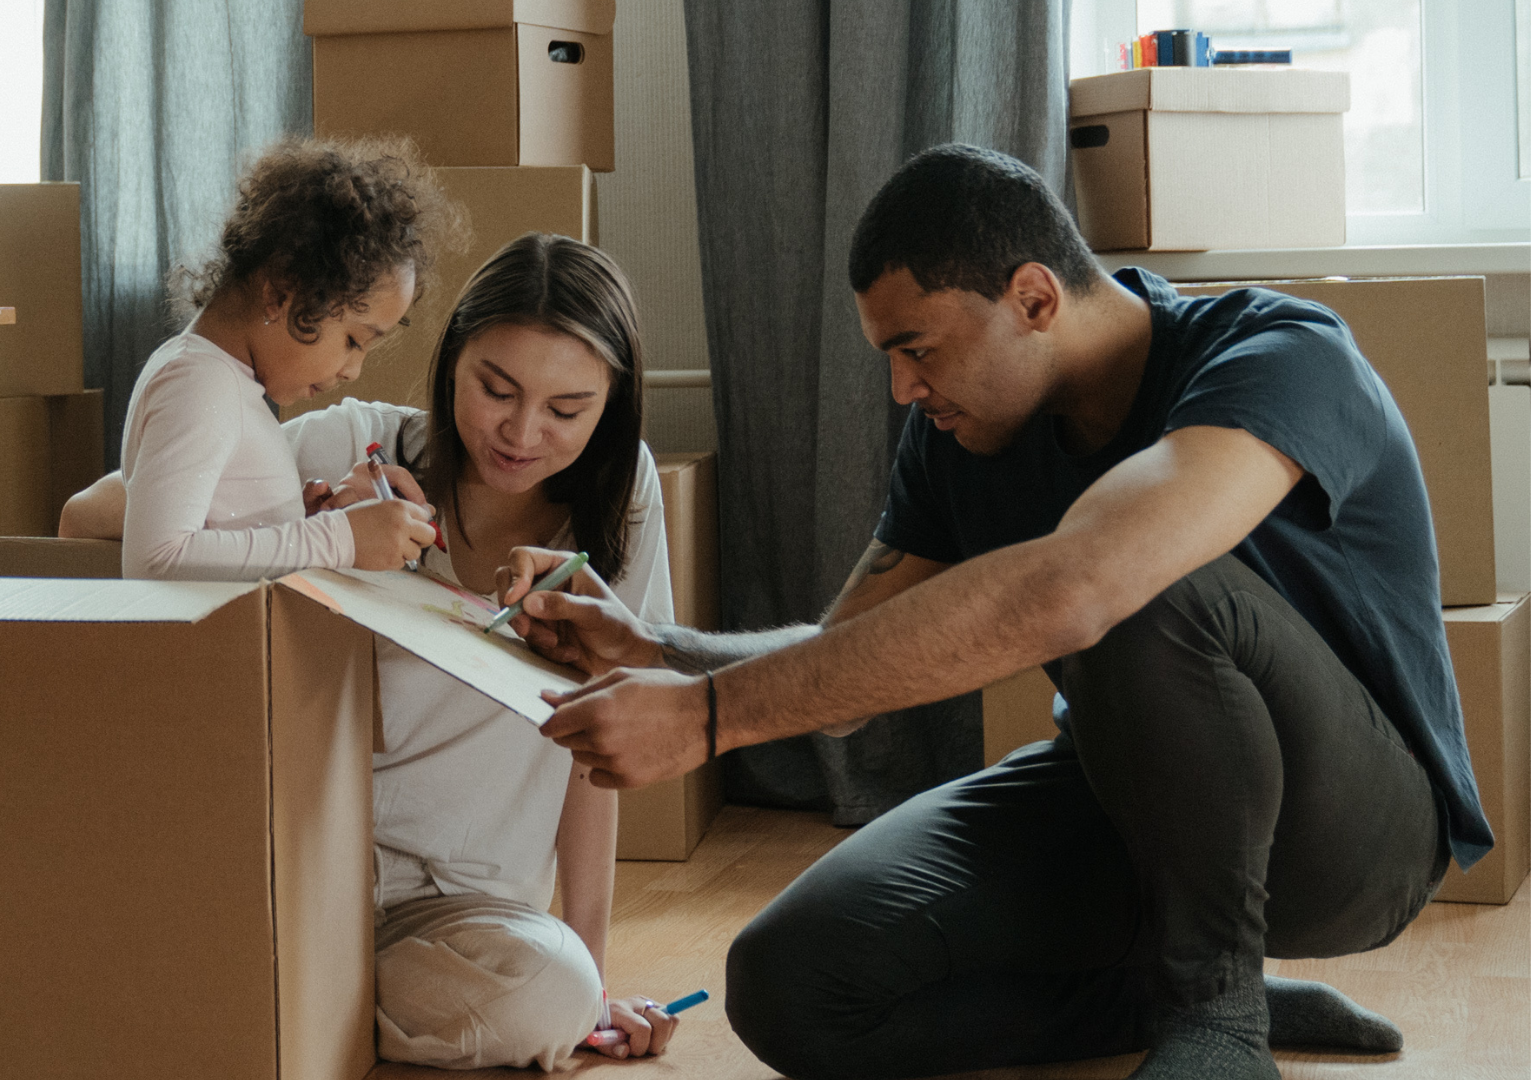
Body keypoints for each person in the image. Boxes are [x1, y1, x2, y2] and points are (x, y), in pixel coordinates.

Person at [499, 145, 1491, 1079]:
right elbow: (844, 669)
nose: (900, 386)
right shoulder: (962, 435)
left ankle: (1217, 1017)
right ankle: (1158, 1000)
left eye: (916, 348)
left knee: (1136, 582)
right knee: (793, 983)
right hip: (1123, 796)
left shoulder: (1281, 354)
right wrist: (668, 654)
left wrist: (709, 721)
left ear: (1033, 297)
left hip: (1356, 836)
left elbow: (1085, 586)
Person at [63, 233, 683, 1069]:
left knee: (555, 993)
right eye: (495, 390)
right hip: (303, 873)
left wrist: (596, 985)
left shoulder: (623, 502)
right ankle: (290, 998)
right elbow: (88, 516)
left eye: (567, 410)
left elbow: (597, 747)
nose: (522, 432)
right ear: (451, 361)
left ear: (611, 405)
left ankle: (286, 1004)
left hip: (463, 913)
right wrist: (313, 528)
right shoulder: (351, 444)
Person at [114, 135, 441, 583]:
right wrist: (337, 537)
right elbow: (156, 560)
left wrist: (292, 526)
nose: (353, 370)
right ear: (281, 293)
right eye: (352, 340)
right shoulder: (200, 382)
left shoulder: (220, 380)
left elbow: (216, 539)